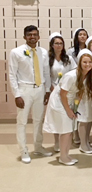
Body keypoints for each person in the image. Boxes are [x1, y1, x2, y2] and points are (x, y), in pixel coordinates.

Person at [43, 49, 92, 165]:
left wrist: (75, 108)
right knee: (66, 131)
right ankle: (63, 157)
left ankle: (66, 154)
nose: (87, 65)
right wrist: (68, 110)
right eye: (85, 62)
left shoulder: (87, 76)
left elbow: (80, 93)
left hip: (69, 101)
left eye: (90, 62)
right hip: (59, 102)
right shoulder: (71, 76)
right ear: (79, 63)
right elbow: (63, 94)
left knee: (69, 131)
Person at [9, 25, 52, 163]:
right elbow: (12, 74)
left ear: (39, 37)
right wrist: (16, 94)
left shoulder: (43, 52)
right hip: (24, 89)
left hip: (39, 89)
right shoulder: (16, 52)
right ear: (24, 37)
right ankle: (24, 150)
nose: (32, 37)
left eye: (35, 34)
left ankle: (38, 146)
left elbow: (46, 72)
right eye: (29, 35)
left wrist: (47, 90)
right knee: (22, 121)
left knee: (38, 120)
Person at [48, 32, 77, 152]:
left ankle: (66, 142)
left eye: (61, 43)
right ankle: (57, 142)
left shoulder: (68, 59)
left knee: (67, 116)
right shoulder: (48, 59)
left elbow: (75, 71)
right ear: (52, 45)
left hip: (67, 91)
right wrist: (51, 88)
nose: (59, 45)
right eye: (56, 43)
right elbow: (47, 75)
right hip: (54, 90)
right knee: (57, 118)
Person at [77, 35, 92, 154]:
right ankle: (83, 144)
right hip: (83, 95)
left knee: (89, 119)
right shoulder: (84, 59)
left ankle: (87, 142)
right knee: (83, 119)